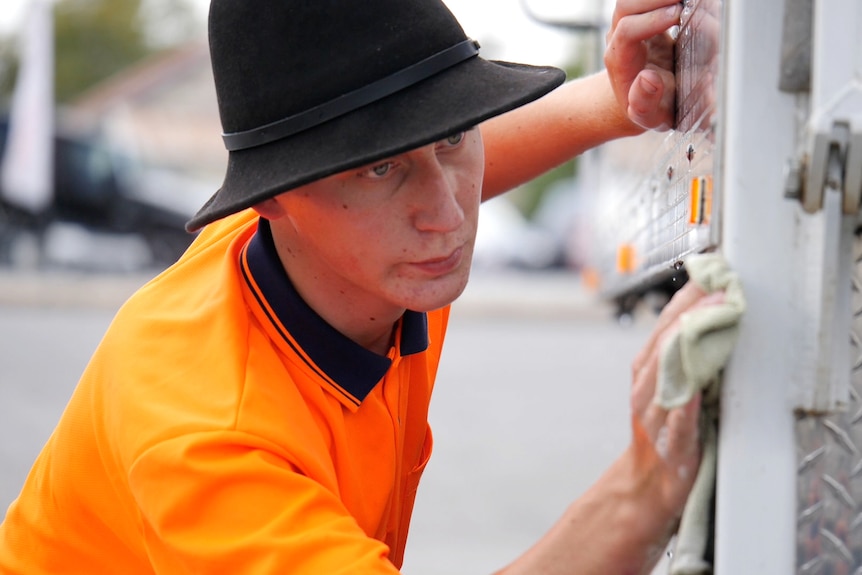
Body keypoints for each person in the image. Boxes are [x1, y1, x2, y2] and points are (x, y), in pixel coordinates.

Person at [0, 0, 721, 573]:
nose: (447, 215)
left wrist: (625, 98)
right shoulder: (206, 438)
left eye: (451, 138)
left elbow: (445, 160)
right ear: (276, 198)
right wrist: (644, 490)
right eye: (380, 169)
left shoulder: (344, 247)